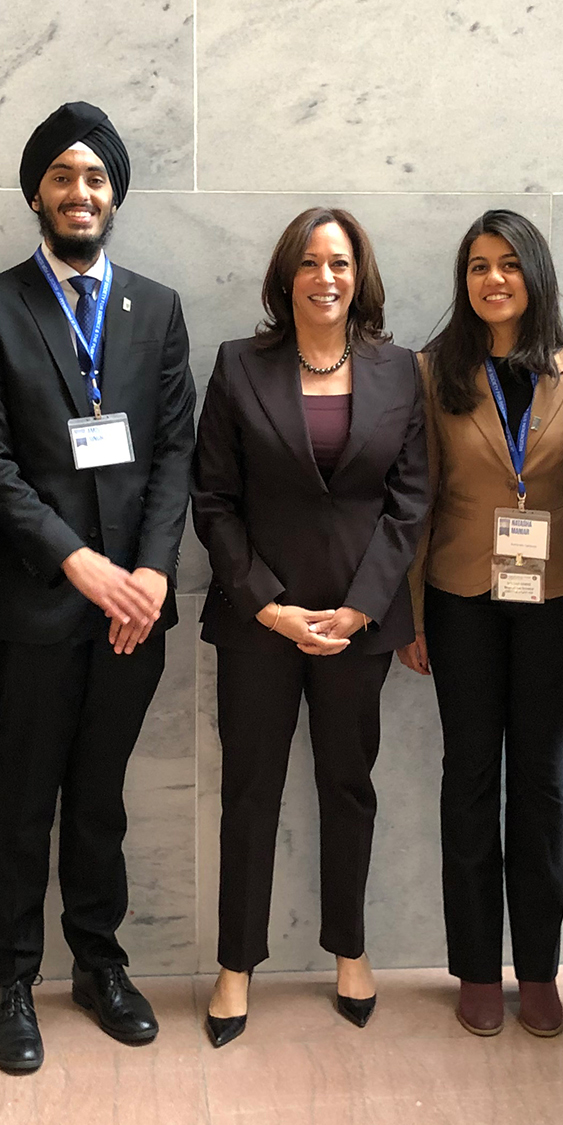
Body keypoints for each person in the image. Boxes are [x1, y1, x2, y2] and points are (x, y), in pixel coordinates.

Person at [0, 101, 196, 1072]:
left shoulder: (158, 307)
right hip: (35, 604)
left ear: (115, 194)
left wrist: (145, 571)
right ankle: (10, 978)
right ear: (35, 194)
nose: (79, 191)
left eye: (94, 176)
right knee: (23, 797)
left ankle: (97, 962)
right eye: (61, 176)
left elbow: (173, 449)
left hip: (131, 616)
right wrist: (81, 563)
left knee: (98, 798)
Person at [192, 207, 428, 1046]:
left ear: (358, 275)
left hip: (356, 625)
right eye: (310, 263)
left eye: (341, 262)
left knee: (348, 787)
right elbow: (212, 500)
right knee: (249, 795)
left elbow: (409, 503)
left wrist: (364, 605)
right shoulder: (238, 365)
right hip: (262, 622)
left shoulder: (400, 371)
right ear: (285, 276)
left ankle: (351, 953)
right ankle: (235, 966)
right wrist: (264, 602)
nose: (326, 277)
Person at [399, 209, 563, 1038]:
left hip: (555, 595)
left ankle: (541, 969)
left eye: (509, 264)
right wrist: (411, 615)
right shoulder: (432, 370)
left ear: (535, 275)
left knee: (543, 781)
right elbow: (416, 503)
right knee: (472, 775)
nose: (493, 279)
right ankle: (479, 966)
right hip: (458, 596)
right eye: (478, 265)